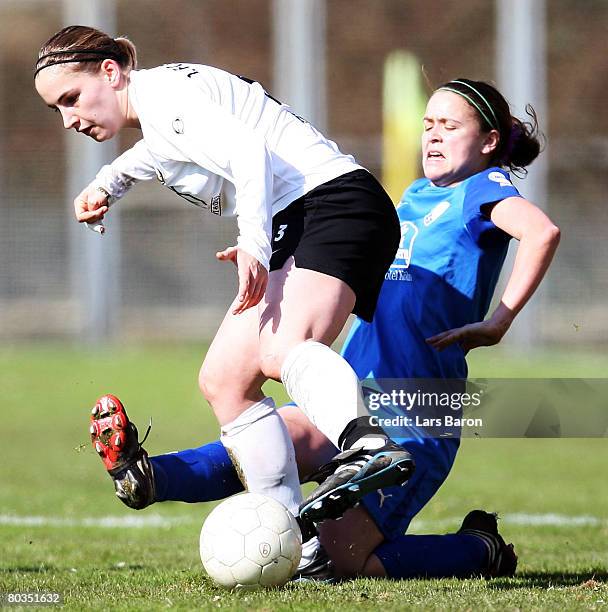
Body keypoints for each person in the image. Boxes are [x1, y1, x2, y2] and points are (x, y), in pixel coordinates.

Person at [83, 77, 560, 581]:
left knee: (342, 561)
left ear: (488, 142)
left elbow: (541, 231)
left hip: (416, 412)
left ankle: (478, 550)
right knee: (266, 440)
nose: (433, 136)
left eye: (450, 125)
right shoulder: (415, 195)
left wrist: (500, 320)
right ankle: (147, 477)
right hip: (355, 395)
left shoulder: (482, 189)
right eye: (428, 125)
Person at [35, 24, 414, 544]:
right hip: (307, 217)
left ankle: (369, 446)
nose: (68, 118)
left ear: (111, 71)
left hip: (335, 205)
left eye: (71, 98)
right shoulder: (161, 107)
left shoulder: (166, 99)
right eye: (57, 109)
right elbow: (159, 154)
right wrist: (107, 182)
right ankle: (289, 542)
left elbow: (247, 152)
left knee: (282, 348)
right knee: (224, 380)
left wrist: (256, 244)